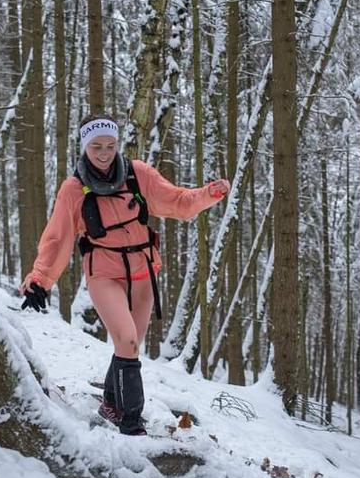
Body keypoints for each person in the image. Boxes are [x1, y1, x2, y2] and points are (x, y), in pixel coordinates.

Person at [19, 114, 230, 436]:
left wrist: (208, 194)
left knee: (129, 344)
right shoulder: (74, 189)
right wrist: (40, 279)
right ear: (84, 147)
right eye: (96, 146)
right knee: (127, 340)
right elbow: (57, 238)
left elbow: (177, 202)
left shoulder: (138, 174)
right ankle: (131, 421)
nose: (103, 153)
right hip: (104, 272)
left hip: (143, 269)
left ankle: (110, 402)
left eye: (110, 145)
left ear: (117, 145)